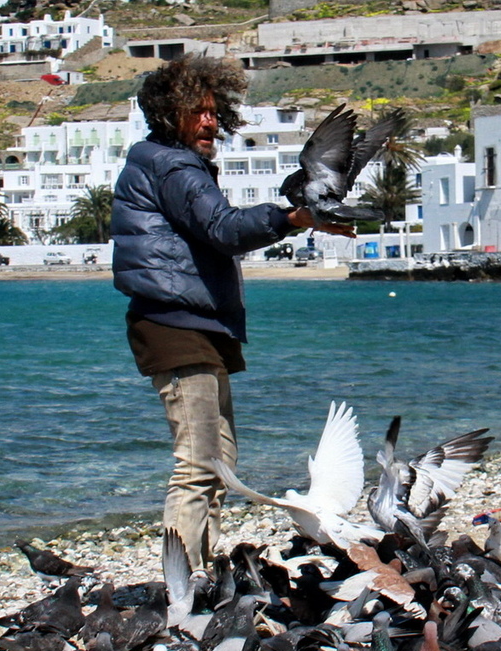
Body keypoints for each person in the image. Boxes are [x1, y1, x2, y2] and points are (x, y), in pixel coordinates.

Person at [110, 54, 354, 571]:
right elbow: (223, 229)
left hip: (197, 325)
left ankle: (200, 577)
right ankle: (183, 587)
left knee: (217, 466)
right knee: (200, 465)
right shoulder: (171, 164)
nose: (209, 122)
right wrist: (293, 217)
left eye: (215, 112)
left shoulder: (170, 163)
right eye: (196, 111)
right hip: (177, 325)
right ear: (165, 112)